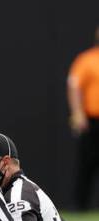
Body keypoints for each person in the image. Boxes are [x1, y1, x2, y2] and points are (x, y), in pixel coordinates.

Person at [68, 26, 99, 209]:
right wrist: (78, 113)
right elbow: (74, 86)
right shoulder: (87, 60)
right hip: (92, 121)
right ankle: (80, 207)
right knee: (86, 166)